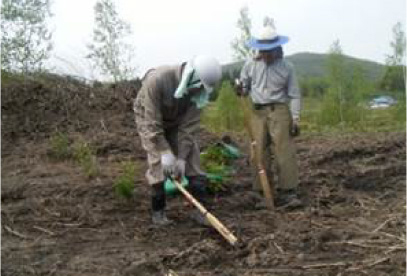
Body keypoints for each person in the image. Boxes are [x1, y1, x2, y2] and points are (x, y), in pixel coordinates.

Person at [133, 55, 222, 225]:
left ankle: (201, 211)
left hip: (176, 119)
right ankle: (158, 212)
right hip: (148, 116)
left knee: (192, 156)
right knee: (157, 160)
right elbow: (152, 124)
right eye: (198, 87)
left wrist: (181, 158)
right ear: (192, 77)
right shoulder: (157, 80)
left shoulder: (199, 94)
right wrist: (165, 152)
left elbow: (188, 129)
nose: (199, 92)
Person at [236, 19, 302, 208]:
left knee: (284, 151)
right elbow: (245, 87)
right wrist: (240, 88)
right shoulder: (250, 64)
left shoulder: (287, 67)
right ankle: (261, 192)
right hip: (257, 113)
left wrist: (296, 118)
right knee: (257, 152)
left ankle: (288, 193)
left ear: (277, 49)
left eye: (269, 51)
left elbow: (295, 95)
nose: (265, 54)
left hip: (279, 111)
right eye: (262, 51)